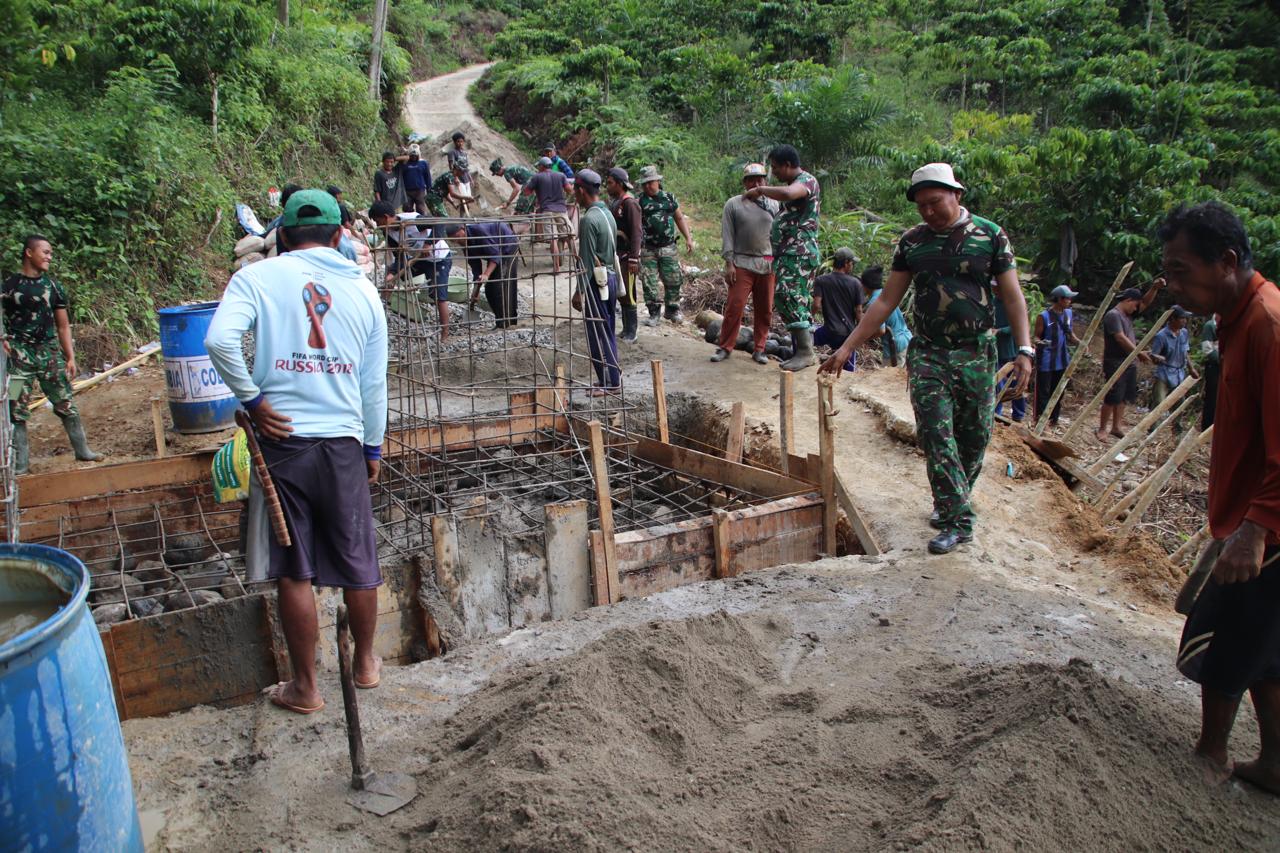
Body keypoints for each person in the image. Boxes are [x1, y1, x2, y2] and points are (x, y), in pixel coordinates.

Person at [205, 189, 388, 715]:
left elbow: (219, 341)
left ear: (282, 234)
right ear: (339, 235)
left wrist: (253, 400)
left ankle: (306, 688)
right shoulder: (363, 291)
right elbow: (373, 383)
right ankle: (366, 664)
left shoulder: (257, 278)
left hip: (282, 442)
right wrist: (372, 447)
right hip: (342, 442)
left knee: (294, 567)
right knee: (358, 555)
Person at [819, 162, 1033, 554]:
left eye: (935, 202)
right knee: (936, 434)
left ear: (956, 194)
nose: (929, 211)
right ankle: (956, 520)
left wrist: (1024, 350)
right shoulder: (913, 242)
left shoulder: (990, 236)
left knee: (975, 437)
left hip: (977, 353)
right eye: (921, 206)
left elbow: (1013, 296)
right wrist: (847, 347)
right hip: (929, 354)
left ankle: (952, 500)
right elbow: (886, 300)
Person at [1161, 201, 1280, 793]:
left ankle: (1211, 752)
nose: (1172, 285)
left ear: (1227, 261)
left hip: (1264, 522)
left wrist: (1256, 528)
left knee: (1229, 635)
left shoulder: (1268, 325)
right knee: (1265, 649)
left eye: (1181, 271)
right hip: (1247, 510)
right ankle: (1274, 762)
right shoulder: (1237, 320)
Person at [3, 234, 102, 474]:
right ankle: (20, 465)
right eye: (45, 252)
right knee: (14, 408)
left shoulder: (53, 287)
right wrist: (3, 339)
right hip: (18, 359)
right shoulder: (9, 286)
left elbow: (63, 326)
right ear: (29, 253)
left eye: (50, 253)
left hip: (49, 355)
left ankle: (83, 451)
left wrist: (70, 357)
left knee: (65, 402)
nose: (49, 257)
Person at [743, 144, 820, 370]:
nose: (774, 172)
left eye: (775, 168)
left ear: (787, 165)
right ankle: (804, 351)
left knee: (789, 296)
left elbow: (788, 194)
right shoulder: (795, 183)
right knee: (795, 299)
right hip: (790, 253)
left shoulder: (806, 181)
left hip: (798, 252)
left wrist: (760, 190)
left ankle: (805, 352)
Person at [713, 162, 778, 364]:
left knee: (765, 309)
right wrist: (729, 263)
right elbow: (728, 235)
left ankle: (759, 348)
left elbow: (781, 235)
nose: (756, 184)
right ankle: (725, 346)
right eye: (751, 180)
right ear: (745, 183)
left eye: (760, 180)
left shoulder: (775, 204)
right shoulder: (734, 204)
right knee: (735, 306)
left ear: (765, 181)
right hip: (742, 261)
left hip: (767, 262)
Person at [370, 201, 453, 341]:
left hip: (439, 258)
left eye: (378, 222)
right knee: (389, 278)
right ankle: (380, 314)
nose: (378, 226)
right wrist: (393, 273)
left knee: (439, 295)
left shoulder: (413, 220)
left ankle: (445, 333)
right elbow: (400, 256)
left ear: (386, 217)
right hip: (418, 259)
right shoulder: (388, 231)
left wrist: (428, 244)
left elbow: (439, 223)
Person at [572, 170, 621, 395]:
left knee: (597, 332)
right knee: (607, 330)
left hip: (596, 282)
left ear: (582, 191)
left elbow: (586, 260)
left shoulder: (588, 220)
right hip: (610, 278)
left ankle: (611, 382)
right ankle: (608, 379)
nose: (575, 196)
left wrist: (579, 291)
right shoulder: (607, 214)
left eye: (576, 191)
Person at [1097, 282, 1161, 441]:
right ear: (1128, 300)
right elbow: (1120, 337)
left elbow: (1145, 303)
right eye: (1135, 305)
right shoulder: (1113, 315)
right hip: (1115, 362)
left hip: (1129, 362)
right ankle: (1102, 428)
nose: (1136, 309)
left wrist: (1154, 288)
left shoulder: (1127, 315)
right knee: (1112, 396)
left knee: (1124, 396)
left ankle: (1116, 427)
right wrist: (1138, 353)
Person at [636, 165, 695, 326]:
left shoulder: (669, 198)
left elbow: (679, 218)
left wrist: (688, 238)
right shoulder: (639, 201)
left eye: (650, 182)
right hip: (648, 248)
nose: (648, 186)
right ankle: (654, 313)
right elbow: (634, 224)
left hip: (668, 246)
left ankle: (672, 310)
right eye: (645, 184)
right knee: (649, 282)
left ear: (658, 181)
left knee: (674, 279)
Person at [447, 219, 520, 329]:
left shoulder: (478, 231)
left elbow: (495, 255)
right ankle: (500, 321)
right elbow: (476, 268)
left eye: (457, 237)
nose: (457, 241)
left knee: (500, 286)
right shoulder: (466, 246)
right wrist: (475, 291)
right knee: (489, 290)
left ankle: (507, 323)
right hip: (496, 252)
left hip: (507, 247)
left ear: (463, 229)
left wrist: (486, 274)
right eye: (454, 241)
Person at [1032, 284, 1080, 426]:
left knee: (1058, 391)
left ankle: (1054, 420)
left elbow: (1070, 333)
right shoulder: (1044, 316)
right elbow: (1035, 337)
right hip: (1046, 359)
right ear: (1059, 299)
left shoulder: (1068, 314)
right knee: (1043, 391)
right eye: (1067, 299)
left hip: (1062, 358)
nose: (1069, 301)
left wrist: (1080, 343)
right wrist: (1040, 343)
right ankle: (1039, 420)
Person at [606, 167, 643, 343]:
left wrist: (634, 258)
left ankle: (632, 332)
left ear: (619, 184)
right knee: (622, 293)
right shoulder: (616, 202)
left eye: (610, 183)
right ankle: (625, 329)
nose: (607, 186)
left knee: (629, 293)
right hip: (618, 255)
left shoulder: (630, 204)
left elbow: (636, 233)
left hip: (628, 257)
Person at [811, 248, 864, 372]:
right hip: (847, 335)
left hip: (829, 331)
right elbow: (858, 311)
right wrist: (859, 334)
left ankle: (802, 358)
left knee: (801, 337)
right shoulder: (855, 283)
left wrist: (809, 319)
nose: (852, 266)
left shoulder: (821, 280)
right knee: (848, 370)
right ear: (846, 263)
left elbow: (816, 304)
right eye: (852, 263)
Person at [527, 157, 574, 272]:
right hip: (561, 210)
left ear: (542, 166)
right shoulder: (561, 175)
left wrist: (536, 189)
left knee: (553, 239)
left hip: (546, 211)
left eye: (539, 166)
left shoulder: (537, 177)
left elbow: (527, 192)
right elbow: (569, 190)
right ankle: (578, 262)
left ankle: (556, 268)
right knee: (569, 235)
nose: (538, 168)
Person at [1150, 305, 1199, 407]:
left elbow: (1185, 352)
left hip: (1179, 373)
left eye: (1185, 318)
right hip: (1164, 373)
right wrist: (1157, 357)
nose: (1185, 321)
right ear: (1172, 319)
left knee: (1179, 404)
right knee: (1159, 404)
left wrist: (1191, 368)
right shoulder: (1161, 336)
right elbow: (1153, 356)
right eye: (1182, 318)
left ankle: (1177, 418)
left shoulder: (1184, 333)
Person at [863, 266, 911, 366]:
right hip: (907, 339)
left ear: (865, 285)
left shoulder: (874, 303)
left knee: (890, 374)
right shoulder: (886, 295)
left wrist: (862, 339)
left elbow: (881, 330)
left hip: (895, 346)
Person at [992, 300, 1027, 422]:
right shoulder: (991, 302)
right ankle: (997, 413)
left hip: (1013, 352)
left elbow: (1019, 326)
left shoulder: (1013, 302)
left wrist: (999, 331)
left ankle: (1018, 415)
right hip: (996, 352)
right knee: (998, 384)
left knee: (1018, 384)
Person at [1200, 313, 1220, 429]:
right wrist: (1222, 360)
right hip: (1214, 367)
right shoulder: (1210, 326)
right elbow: (1207, 350)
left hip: (1225, 366)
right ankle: (1207, 427)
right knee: (1212, 398)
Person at [402, 144, 432, 216]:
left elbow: (427, 177)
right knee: (407, 209)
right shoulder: (405, 163)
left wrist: (429, 189)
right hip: (407, 191)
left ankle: (421, 222)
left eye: (415, 156)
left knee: (421, 209)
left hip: (420, 190)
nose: (414, 157)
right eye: (412, 155)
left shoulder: (423, 163)